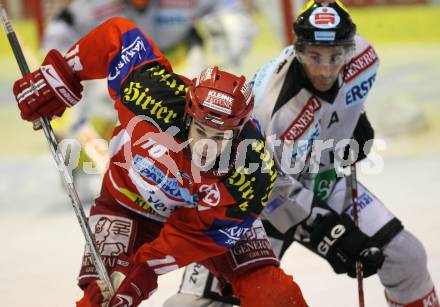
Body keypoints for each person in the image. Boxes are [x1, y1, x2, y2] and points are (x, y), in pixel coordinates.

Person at [12, 17, 308, 307]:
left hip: (201, 223)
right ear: (187, 115)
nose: (206, 145)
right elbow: (119, 36)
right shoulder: (152, 95)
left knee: (271, 292)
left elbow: (191, 236)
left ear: (237, 133)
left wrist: (143, 271)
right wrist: (62, 75)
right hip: (128, 203)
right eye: (201, 130)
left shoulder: (251, 174)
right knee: (101, 297)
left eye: (220, 137)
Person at [165, 1, 439, 307]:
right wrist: (330, 233)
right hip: (251, 202)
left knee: (406, 259)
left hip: (320, 178)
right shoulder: (274, 110)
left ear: (349, 49)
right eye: (314, 57)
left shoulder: (364, 60)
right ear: (298, 51)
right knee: (195, 304)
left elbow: (339, 103)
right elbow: (271, 190)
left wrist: (351, 122)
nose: (325, 69)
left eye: (336, 56)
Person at [42, 0, 258, 195]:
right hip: (122, 69)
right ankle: (83, 160)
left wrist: (233, 28)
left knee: (203, 107)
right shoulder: (90, 7)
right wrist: (57, 75)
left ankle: (203, 169)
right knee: (97, 100)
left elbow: (229, 6)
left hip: (181, 64)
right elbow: (60, 35)